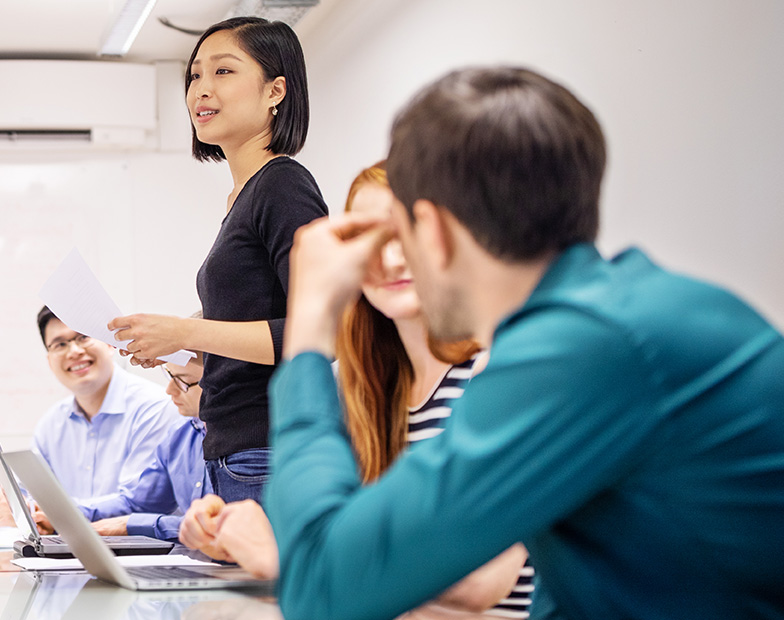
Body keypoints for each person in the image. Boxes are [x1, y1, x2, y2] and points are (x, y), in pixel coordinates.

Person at [263, 67, 784, 618]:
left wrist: (310, 329)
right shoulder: (629, 316)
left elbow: (323, 588)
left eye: (396, 234)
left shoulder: (586, 350)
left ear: (432, 232)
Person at [181, 164, 532, 616]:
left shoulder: (497, 373)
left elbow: (478, 578)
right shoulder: (357, 391)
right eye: (370, 240)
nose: (390, 258)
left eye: (408, 235)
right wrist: (240, 530)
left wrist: (284, 555)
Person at [107, 17, 327, 507]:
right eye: (194, 76)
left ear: (276, 90)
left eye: (223, 72)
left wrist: (188, 334)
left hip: (269, 451)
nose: (201, 90)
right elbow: (259, 314)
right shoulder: (244, 196)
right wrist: (184, 341)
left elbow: (321, 334)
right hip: (235, 450)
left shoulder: (281, 186)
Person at [0, 307, 182, 530]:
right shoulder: (52, 424)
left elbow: (139, 504)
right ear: (49, 360)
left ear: (110, 343)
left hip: (142, 557)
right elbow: (29, 497)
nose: (74, 351)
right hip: (73, 555)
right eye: (60, 344)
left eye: (83, 337)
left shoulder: (157, 408)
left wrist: (49, 513)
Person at [78, 350, 209, 542]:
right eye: (169, 375)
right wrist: (63, 514)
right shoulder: (180, 435)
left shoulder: (251, 441)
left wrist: (130, 524)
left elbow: (219, 526)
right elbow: (140, 504)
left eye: (182, 381)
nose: (169, 390)